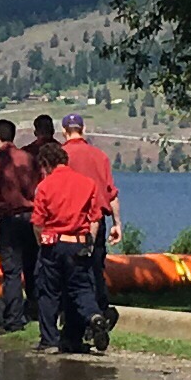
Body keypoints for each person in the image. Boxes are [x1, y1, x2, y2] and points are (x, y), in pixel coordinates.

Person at [28, 118, 114, 353]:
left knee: (49, 293)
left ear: (46, 163)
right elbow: (95, 218)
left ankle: (49, 340)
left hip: (53, 244)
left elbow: (37, 222)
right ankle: (92, 319)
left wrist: (41, 243)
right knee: (81, 290)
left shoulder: (45, 186)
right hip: (79, 244)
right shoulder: (87, 184)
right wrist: (89, 242)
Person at [61, 116, 121, 345]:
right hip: (98, 219)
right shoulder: (100, 156)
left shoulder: (61, 156)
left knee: (72, 275)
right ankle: (100, 311)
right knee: (95, 269)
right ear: (83, 129)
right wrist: (117, 223)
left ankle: (80, 321)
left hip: (72, 221)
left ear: (64, 130)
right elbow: (111, 192)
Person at [0, 116, 41, 331]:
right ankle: (38, 309)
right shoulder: (29, 158)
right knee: (33, 265)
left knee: (12, 270)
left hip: (10, 218)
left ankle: (14, 319)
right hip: (32, 217)